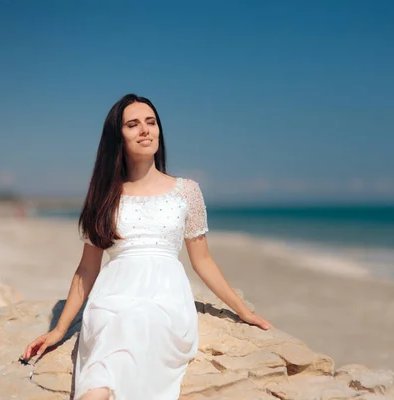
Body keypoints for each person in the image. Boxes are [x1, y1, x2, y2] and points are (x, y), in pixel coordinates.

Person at [22, 94, 274, 400]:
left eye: (151, 122)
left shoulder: (187, 191)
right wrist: (59, 330)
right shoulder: (104, 197)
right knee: (106, 351)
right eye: (133, 124)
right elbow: (87, 269)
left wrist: (244, 311)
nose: (145, 130)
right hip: (112, 296)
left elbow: (203, 261)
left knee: (139, 319)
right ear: (118, 137)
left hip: (164, 297)